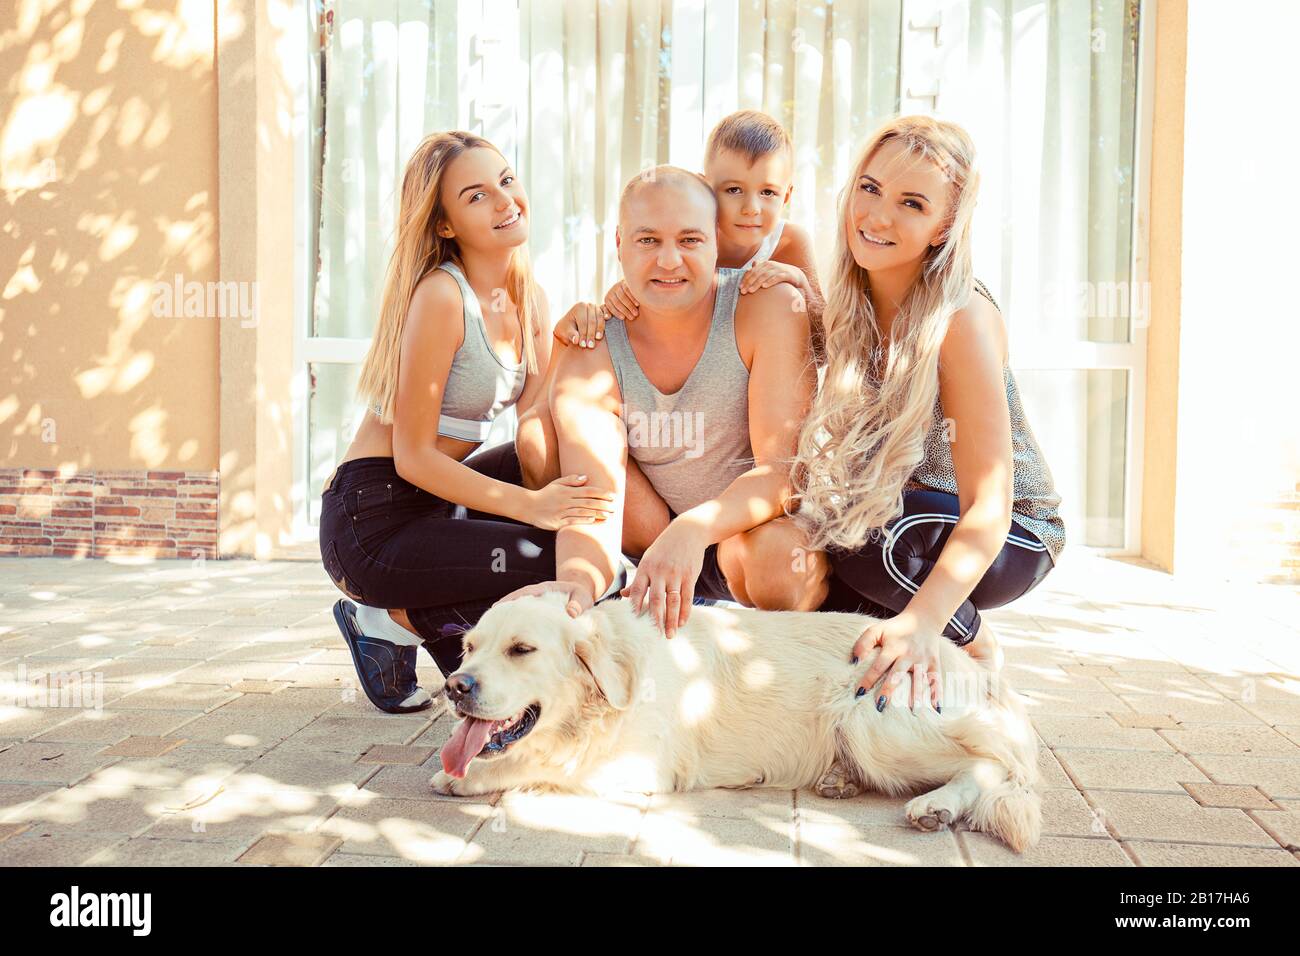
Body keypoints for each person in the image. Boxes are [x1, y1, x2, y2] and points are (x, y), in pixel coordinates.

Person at [317, 131, 618, 715]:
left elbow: (538, 427)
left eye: (506, 181)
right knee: (543, 556)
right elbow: (412, 457)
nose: (506, 200)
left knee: (573, 530)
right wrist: (531, 508)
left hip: (434, 506)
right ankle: (391, 617)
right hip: (370, 521)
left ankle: (418, 623)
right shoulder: (442, 296)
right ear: (445, 225)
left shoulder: (529, 299)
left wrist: (575, 332)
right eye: (477, 196)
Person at [792, 115, 1066, 717]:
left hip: (1011, 535)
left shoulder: (959, 321)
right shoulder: (855, 302)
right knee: (822, 572)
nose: (879, 216)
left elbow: (989, 509)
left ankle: (968, 640)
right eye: (869, 188)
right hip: (907, 518)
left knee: (866, 540)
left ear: (944, 226)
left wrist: (922, 622)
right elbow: (784, 237)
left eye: (911, 203)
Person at [500, 166, 829, 633]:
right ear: (619, 243)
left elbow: (783, 472)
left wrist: (693, 531)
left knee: (779, 565)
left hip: (747, 535)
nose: (669, 261)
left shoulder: (767, 303)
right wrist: (575, 582)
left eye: (690, 240)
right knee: (538, 434)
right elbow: (592, 493)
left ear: (717, 240)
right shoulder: (591, 345)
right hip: (652, 537)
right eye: (648, 241)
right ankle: (621, 585)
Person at [557, 109, 825, 359]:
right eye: (733, 190)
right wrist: (623, 294)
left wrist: (800, 283)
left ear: (787, 195)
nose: (751, 209)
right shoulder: (688, 242)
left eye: (768, 192)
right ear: (705, 187)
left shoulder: (789, 242)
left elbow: (823, 349)